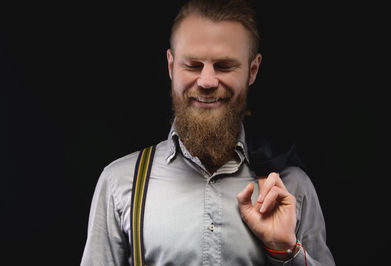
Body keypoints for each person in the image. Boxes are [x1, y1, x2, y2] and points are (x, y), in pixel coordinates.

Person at [81, 0, 335, 265]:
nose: (207, 82)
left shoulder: (292, 188)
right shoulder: (119, 182)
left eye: (224, 66)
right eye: (192, 65)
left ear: (253, 70)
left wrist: (286, 251)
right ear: (171, 66)